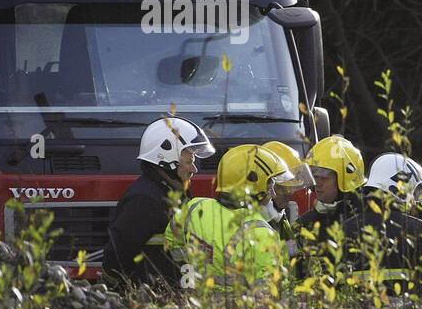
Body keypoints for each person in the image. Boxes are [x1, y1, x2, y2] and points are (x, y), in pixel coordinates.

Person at [104, 116, 215, 288]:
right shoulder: (144, 201)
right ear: (166, 157)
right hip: (150, 302)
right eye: (189, 162)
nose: (194, 169)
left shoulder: (173, 192)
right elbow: (117, 259)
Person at [163, 144, 292, 287]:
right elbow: (270, 292)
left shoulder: (194, 207)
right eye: (269, 188)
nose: (273, 194)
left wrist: (188, 271)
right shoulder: (260, 233)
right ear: (252, 188)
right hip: (235, 308)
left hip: (192, 303)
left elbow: (172, 241)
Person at [341, 153, 422, 295]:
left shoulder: (344, 230)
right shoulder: (421, 231)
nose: (414, 202)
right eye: (414, 193)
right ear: (398, 187)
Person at [294, 134, 366, 249]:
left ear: (346, 179)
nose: (317, 183)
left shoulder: (363, 225)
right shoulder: (303, 225)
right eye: (314, 177)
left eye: (323, 177)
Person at [260, 140, 314, 242]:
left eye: (292, 187)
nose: (289, 193)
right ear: (265, 187)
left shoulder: (280, 218)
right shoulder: (256, 227)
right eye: (282, 188)